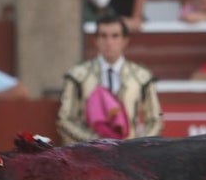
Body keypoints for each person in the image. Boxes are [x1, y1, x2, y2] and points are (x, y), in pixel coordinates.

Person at [57, 14, 163, 143]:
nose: (109, 42)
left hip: (128, 155)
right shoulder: (78, 76)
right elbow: (65, 119)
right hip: (90, 155)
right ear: (96, 40)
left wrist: (137, 146)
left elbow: (155, 120)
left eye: (115, 36)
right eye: (103, 36)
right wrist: (93, 142)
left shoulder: (142, 77)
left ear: (125, 40)